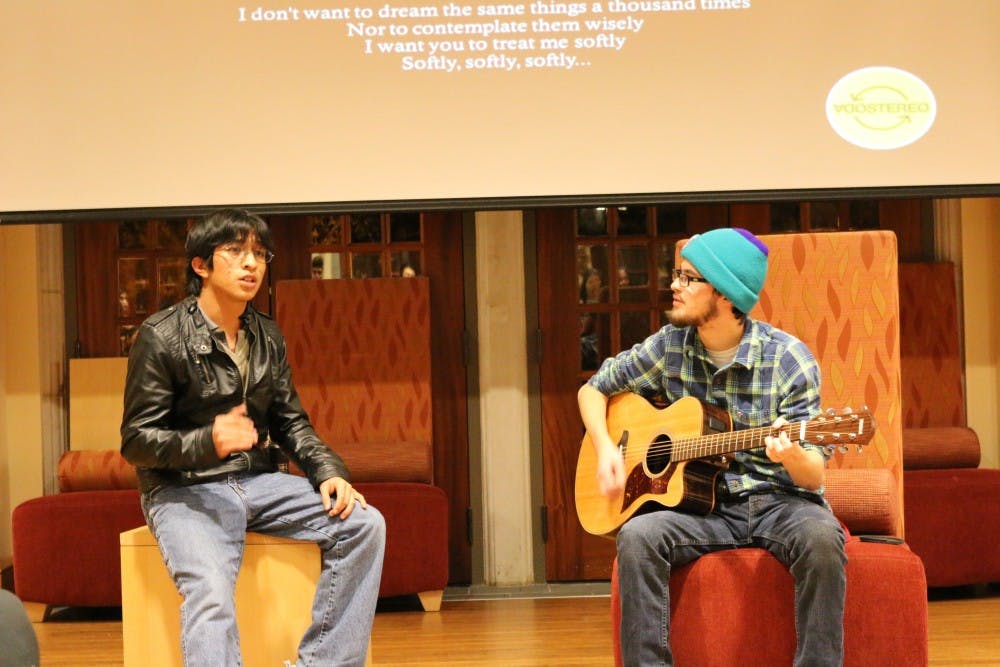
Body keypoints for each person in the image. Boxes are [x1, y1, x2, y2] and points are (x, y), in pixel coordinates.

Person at [121, 208, 385, 667]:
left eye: (260, 254)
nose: (251, 264)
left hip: (257, 482)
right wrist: (208, 441)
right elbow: (136, 441)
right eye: (236, 251)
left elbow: (290, 421)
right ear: (200, 265)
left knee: (363, 524)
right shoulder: (160, 336)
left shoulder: (266, 334)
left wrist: (328, 472)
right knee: (210, 592)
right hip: (183, 489)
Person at [578, 228, 846, 666]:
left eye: (688, 278)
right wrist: (605, 445)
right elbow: (593, 390)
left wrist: (793, 453)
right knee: (638, 535)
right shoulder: (669, 347)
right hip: (701, 510)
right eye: (677, 274)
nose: (673, 285)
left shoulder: (788, 360)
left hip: (781, 502)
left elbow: (814, 475)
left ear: (723, 294)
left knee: (820, 537)